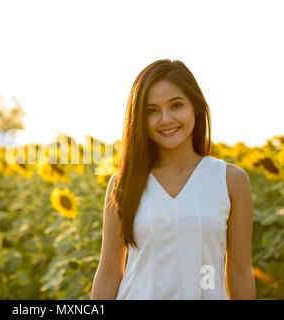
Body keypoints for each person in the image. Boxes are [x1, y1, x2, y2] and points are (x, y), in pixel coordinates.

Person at [90, 59, 256, 300]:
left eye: (176, 105)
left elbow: (240, 273)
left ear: (195, 107)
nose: (165, 119)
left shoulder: (231, 181)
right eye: (152, 110)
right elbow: (109, 272)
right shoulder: (122, 184)